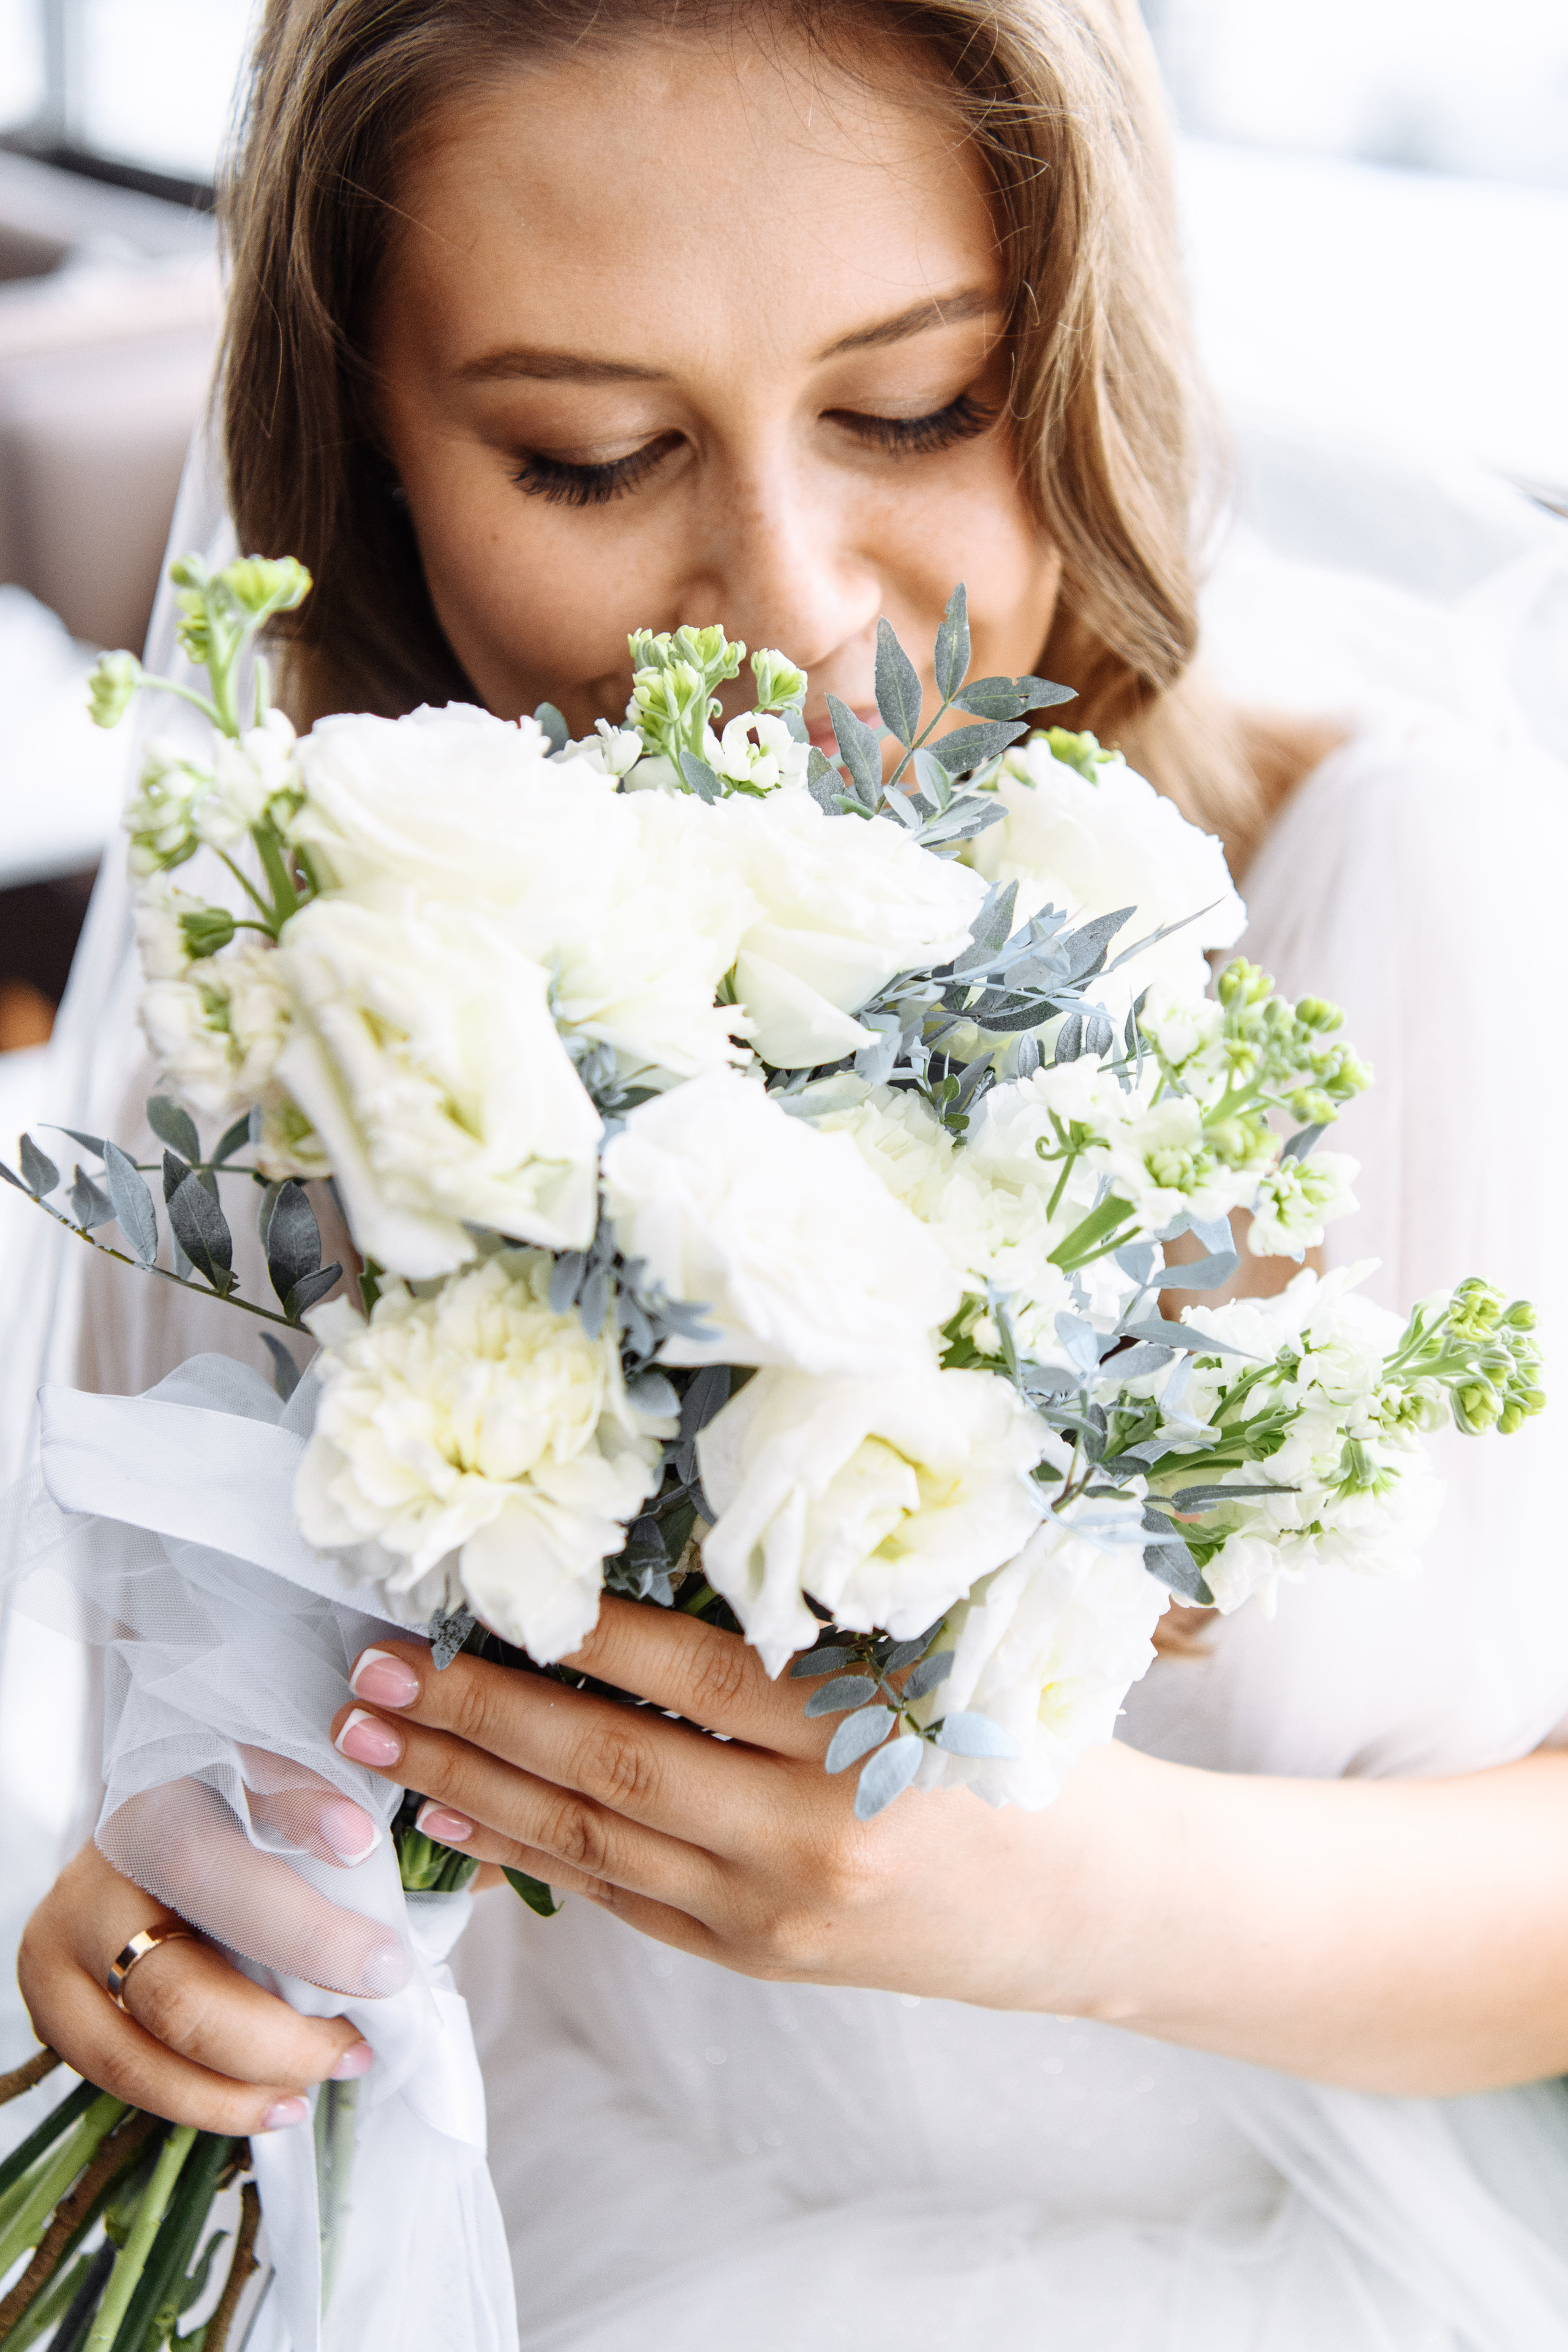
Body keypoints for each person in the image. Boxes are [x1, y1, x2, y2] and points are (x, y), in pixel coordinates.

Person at [15, 1, 1568, 2342]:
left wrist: (1056, 1896)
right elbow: (213, 1782)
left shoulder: (1423, 903)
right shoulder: (312, 1002)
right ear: (379, 461)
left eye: (913, 407)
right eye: (593, 455)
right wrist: (165, 1951)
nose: (796, 608)